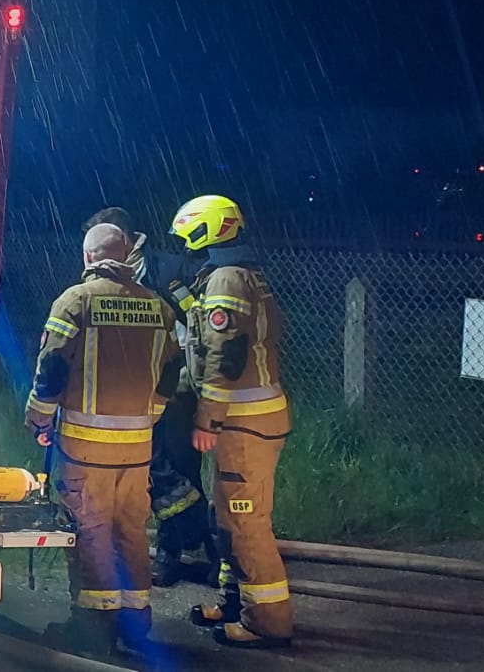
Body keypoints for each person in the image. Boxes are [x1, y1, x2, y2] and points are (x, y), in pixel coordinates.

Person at [24, 223, 185, 656]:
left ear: (88, 257)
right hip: (137, 448)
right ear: (128, 255)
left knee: (91, 531)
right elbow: (173, 369)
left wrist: (38, 418)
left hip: (85, 449)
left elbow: (52, 365)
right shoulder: (158, 306)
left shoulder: (76, 301)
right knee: (131, 530)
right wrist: (152, 413)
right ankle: (135, 622)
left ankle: (94, 629)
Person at [169, 195, 295, 649]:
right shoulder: (235, 274)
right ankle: (234, 603)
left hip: (243, 422)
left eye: (188, 233)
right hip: (246, 422)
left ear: (207, 230)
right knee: (226, 517)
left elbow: (225, 357)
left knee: (246, 524)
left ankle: (268, 622)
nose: (184, 243)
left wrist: (207, 419)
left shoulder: (226, 278)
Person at [82, 207, 217, 587]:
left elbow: (199, 326)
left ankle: (195, 551)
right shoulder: (105, 280)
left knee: (181, 467)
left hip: (176, 387)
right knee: (153, 473)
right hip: (130, 396)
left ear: (127, 241)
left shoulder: (170, 271)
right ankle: (179, 547)